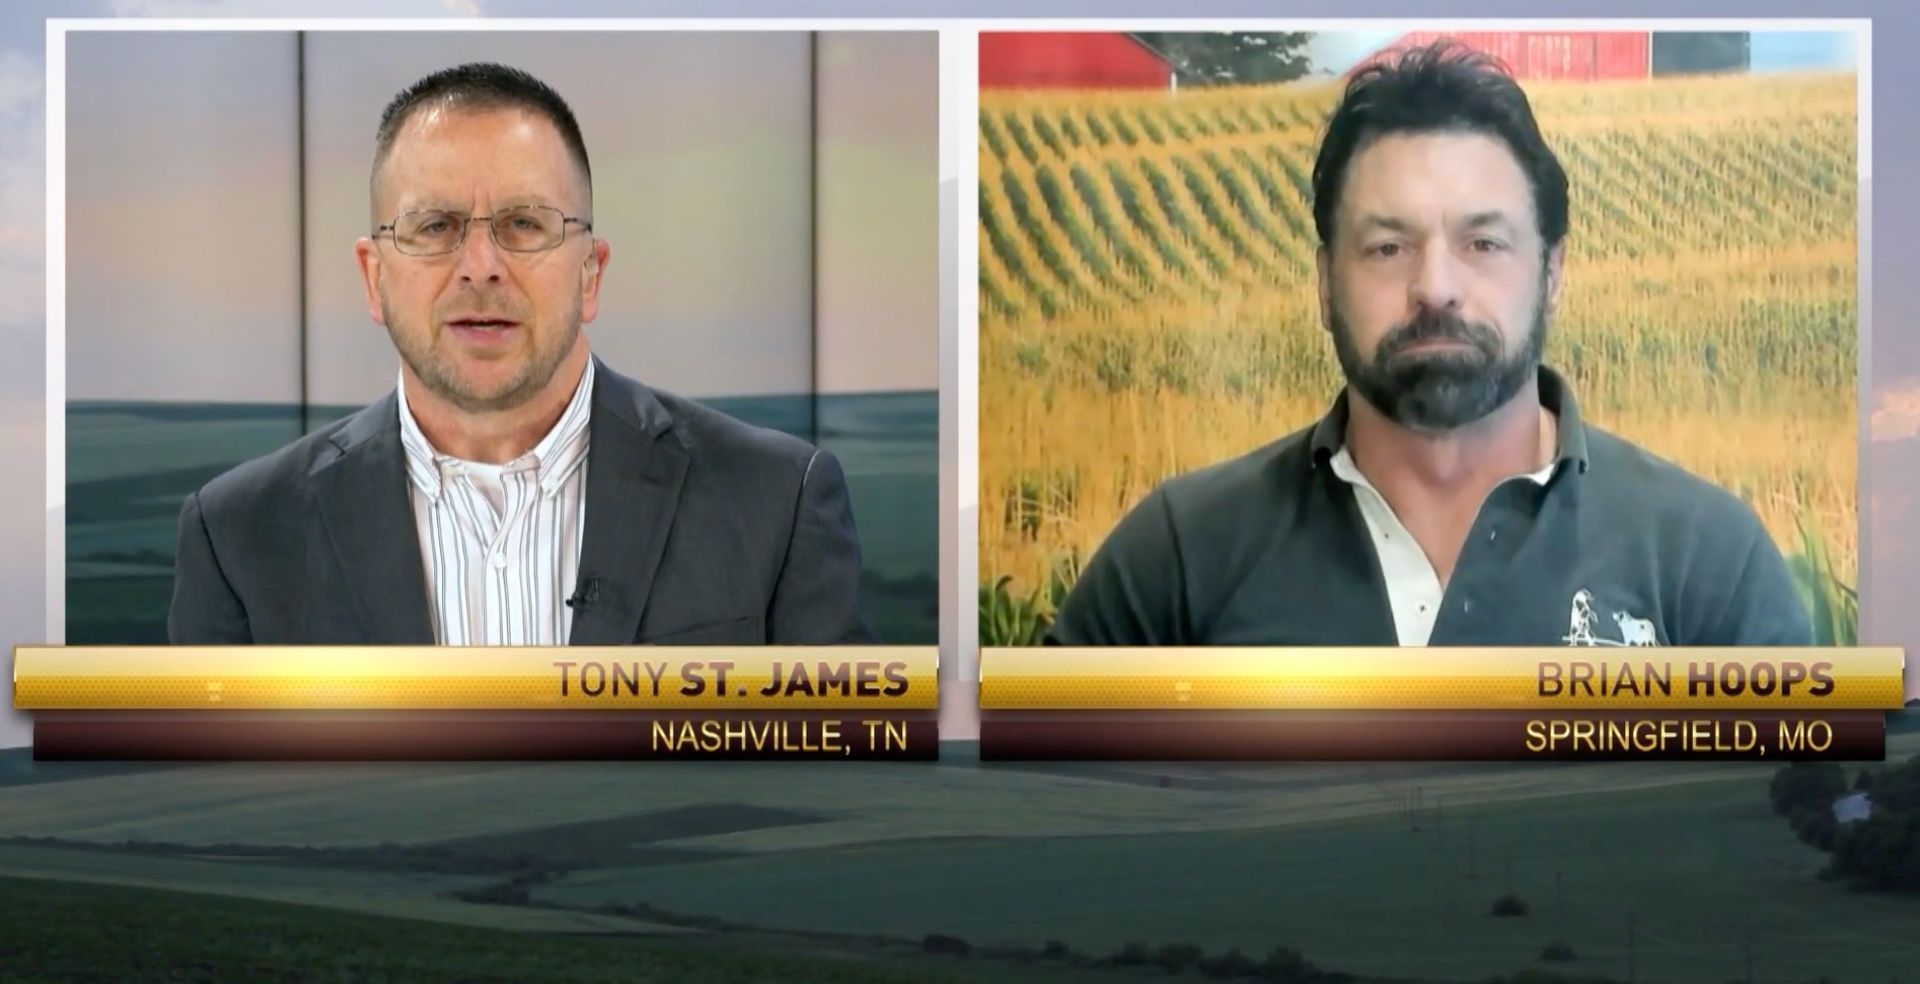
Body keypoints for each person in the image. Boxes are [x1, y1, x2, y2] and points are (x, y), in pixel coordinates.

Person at [1047, 41, 1812, 647]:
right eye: (1387, 247)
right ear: (1324, 283)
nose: (1435, 286)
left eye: (1482, 243)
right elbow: (1031, 820)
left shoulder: (1705, 558)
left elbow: (1808, 829)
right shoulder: (1179, 552)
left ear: (1551, 274)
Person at [169, 63, 870, 645]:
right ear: (374, 277)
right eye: (435, 225)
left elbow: (849, 801)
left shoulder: (778, 503)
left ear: (591, 273)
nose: (481, 265)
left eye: (524, 224)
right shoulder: (237, 537)